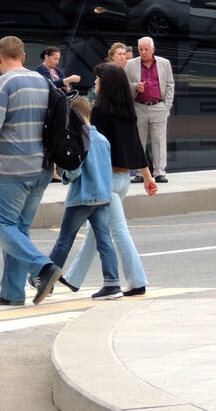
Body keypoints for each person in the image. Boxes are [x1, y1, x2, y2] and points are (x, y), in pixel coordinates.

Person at [0, 35, 64, 307]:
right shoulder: (42, 81)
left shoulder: (2, 84)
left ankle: (43, 268)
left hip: (11, 168)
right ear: (23, 56)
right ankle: (12, 292)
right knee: (17, 228)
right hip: (41, 167)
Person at [66, 62, 157, 299]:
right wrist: (147, 176)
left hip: (105, 181)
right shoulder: (127, 112)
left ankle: (137, 281)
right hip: (123, 179)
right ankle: (73, 279)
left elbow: (92, 147)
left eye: (97, 80)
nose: (94, 84)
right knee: (96, 231)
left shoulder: (99, 112)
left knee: (117, 230)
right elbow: (137, 145)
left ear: (104, 84)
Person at [46, 95, 114, 295]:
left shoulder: (80, 138)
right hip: (103, 196)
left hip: (83, 196)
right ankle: (112, 282)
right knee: (104, 241)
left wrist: (64, 175)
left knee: (64, 240)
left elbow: (75, 170)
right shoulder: (103, 139)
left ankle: (45, 280)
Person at [126, 37, 175, 183]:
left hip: (159, 105)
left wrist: (167, 106)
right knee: (139, 141)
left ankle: (159, 172)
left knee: (159, 140)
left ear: (153, 49)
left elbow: (170, 84)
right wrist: (135, 86)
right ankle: (141, 173)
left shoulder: (164, 63)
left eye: (146, 49)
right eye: (141, 49)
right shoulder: (130, 64)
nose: (143, 52)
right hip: (139, 105)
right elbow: (125, 83)